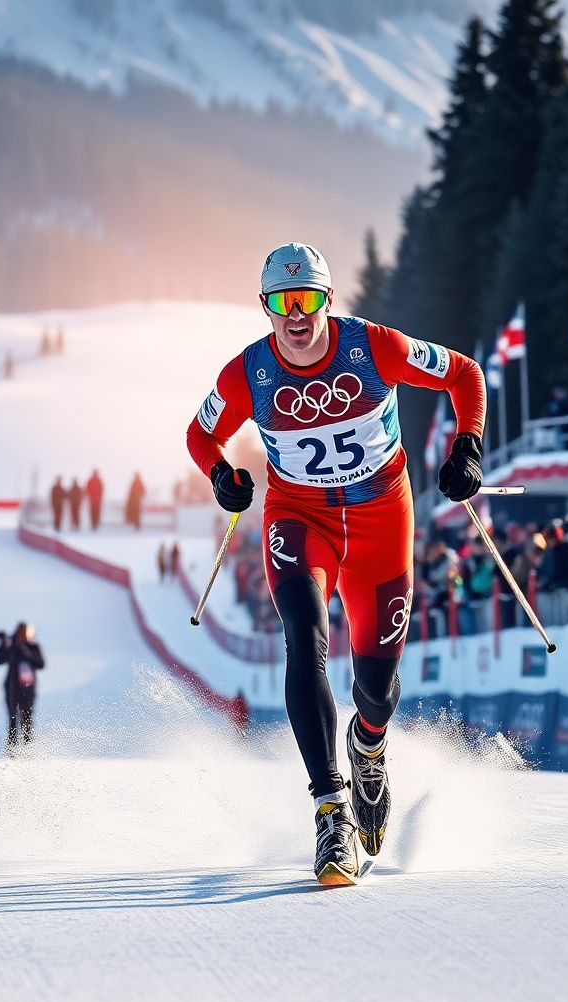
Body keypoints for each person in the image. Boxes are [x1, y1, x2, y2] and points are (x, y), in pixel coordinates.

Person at [185, 242, 485, 884]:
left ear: (328, 299)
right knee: (305, 641)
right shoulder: (248, 373)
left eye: (310, 299)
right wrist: (221, 473)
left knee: (376, 688)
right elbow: (199, 432)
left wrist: (468, 447)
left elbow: (464, 374)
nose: (298, 315)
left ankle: (370, 747)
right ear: (266, 308)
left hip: (381, 521)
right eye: (283, 303)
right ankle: (330, 811)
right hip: (301, 519)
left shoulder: (374, 347)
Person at [0, 622, 45, 748]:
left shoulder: (33, 647)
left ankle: (26, 751)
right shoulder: (12, 645)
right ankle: (12, 751)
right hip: (12, 689)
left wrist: (26, 650)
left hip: (28, 690)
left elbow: (40, 664)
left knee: (27, 721)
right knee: (12, 720)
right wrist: (4, 644)